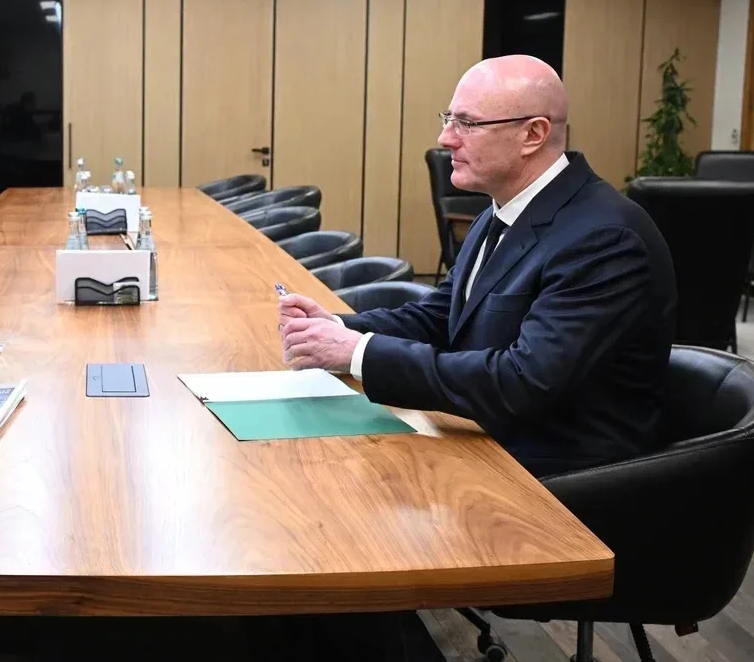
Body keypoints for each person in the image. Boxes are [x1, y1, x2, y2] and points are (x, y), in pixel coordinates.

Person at [279, 54, 676, 477]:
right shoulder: (501, 211)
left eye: (467, 124)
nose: (445, 138)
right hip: (486, 440)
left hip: (556, 479)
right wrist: (337, 329)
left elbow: (523, 381)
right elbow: (442, 317)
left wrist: (359, 353)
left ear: (533, 134)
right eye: (449, 119)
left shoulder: (605, 238)